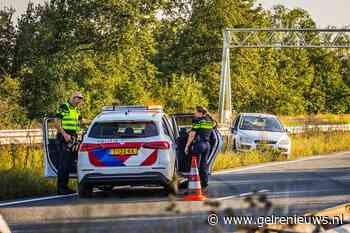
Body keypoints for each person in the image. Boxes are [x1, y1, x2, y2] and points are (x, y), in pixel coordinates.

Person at [54, 91, 83, 195]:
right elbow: (56, 123)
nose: (79, 101)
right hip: (64, 136)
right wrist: (64, 134)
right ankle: (61, 189)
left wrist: (78, 133)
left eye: (81, 99)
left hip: (73, 136)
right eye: (78, 98)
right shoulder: (64, 107)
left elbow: (79, 123)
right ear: (72, 97)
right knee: (64, 163)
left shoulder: (76, 110)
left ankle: (65, 187)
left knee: (70, 163)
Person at [184, 106, 216, 193]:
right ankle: (204, 185)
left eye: (196, 112)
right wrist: (191, 129)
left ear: (200, 113)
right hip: (207, 145)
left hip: (199, 145)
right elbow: (207, 128)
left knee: (194, 167)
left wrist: (187, 146)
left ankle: (192, 188)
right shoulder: (210, 121)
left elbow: (192, 135)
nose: (195, 114)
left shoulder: (197, 120)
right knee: (203, 166)